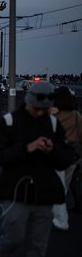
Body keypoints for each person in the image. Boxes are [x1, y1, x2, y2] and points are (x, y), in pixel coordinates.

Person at [0, 82, 75, 257]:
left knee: (39, 244)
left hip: (45, 193)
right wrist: (27, 148)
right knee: (14, 237)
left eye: (44, 110)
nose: (40, 113)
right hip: (16, 190)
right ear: (28, 102)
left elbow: (66, 158)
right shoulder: (9, 122)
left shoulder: (53, 124)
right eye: (36, 109)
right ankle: (1, 252)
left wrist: (52, 150)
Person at [51, 86, 82, 229]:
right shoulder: (76, 115)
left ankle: (60, 219)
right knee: (65, 184)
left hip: (57, 153)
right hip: (73, 155)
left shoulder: (53, 114)